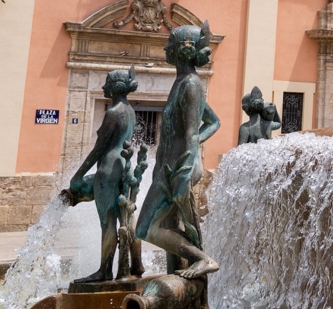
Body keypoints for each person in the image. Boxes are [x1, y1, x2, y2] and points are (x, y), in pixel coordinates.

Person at [137, 22, 222, 278]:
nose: (165, 49)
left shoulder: (191, 85)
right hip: (171, 166)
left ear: (182, 50)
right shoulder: (183, 82)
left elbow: (191, 133)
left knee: (146, 228)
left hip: (179, 168)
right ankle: (177, 278)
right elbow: (214, 121)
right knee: (166, 225)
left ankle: (203, 259)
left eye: (170, 45)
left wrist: (185, 172)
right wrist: (193, 145)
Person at [66, 67, 138, 283]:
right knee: (125, 219)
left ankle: (104, 271)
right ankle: (130, 267)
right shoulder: (131, 111)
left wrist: (78, 175)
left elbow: (98, 149)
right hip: (124, 166)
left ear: (116, 86)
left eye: (107, 83)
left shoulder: (113, 112)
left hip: (108, 169)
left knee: (108, 223)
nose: (104, 87)